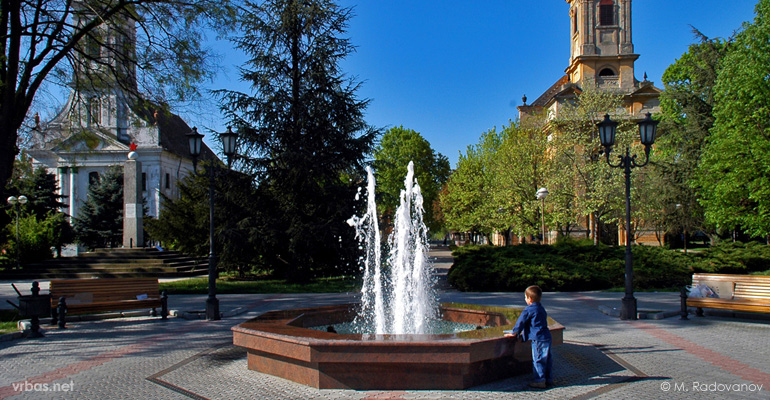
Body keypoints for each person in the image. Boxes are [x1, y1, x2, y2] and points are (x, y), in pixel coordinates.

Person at [505, 285, 553, 389]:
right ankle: (548, 379)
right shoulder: (541, 308)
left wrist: (514, 332)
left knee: (538, 359)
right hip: (547, 337)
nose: (525, 299)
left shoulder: (529, 310)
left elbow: (520, 322)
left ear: (530, 299)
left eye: (525, 297)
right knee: (547, 359)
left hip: (538, 338)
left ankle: (540, 380)